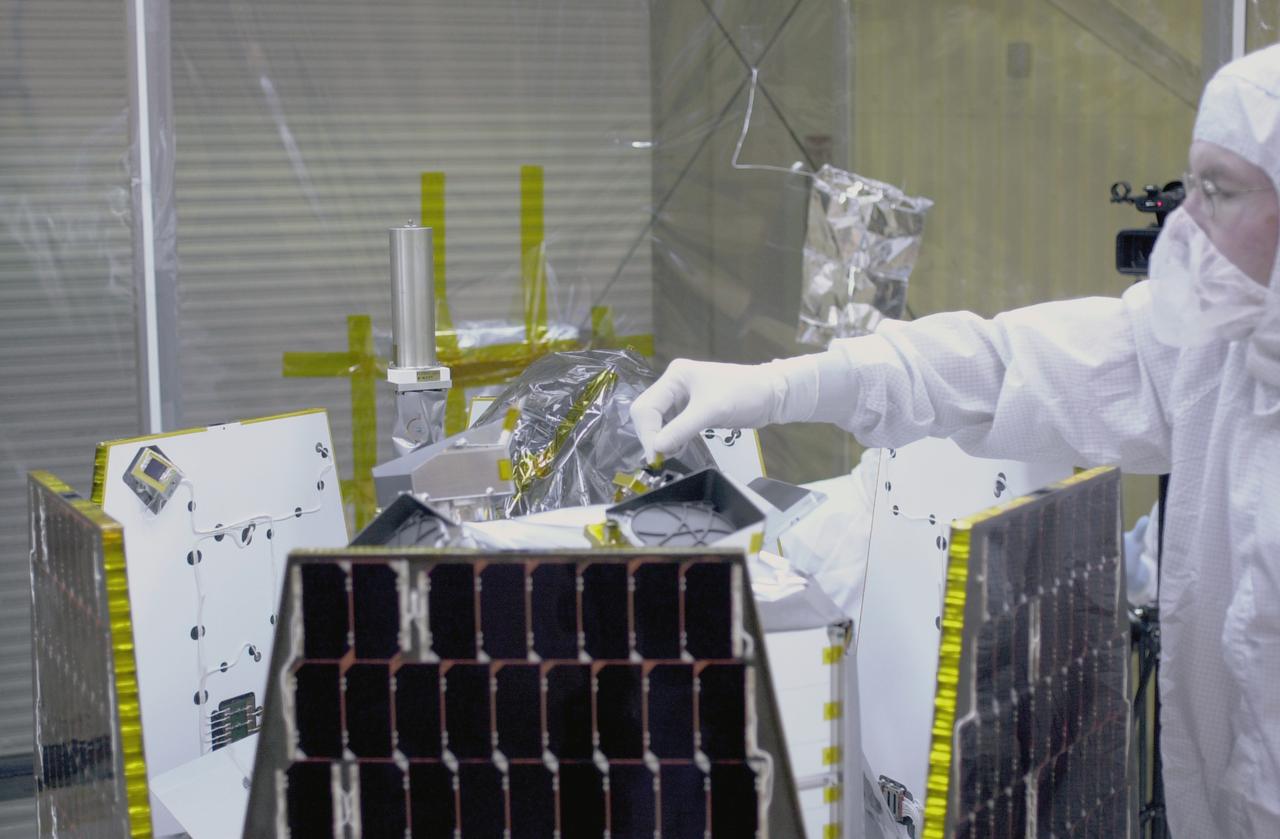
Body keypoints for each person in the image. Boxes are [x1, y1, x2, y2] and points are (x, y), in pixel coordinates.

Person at [631, 45, 1280, 836]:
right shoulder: (1219, 350)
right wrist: (777, 386)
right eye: (1193, 188)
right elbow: (993, 366)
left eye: (1220, 192)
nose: (1186, 228)